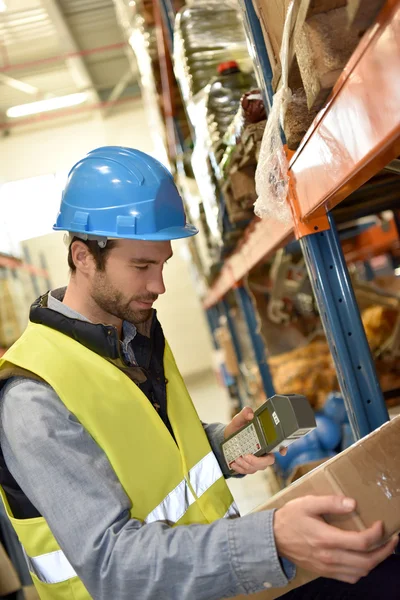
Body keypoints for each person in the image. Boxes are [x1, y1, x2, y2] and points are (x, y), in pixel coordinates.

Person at [0, 146, 397, 600]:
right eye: (141, 266)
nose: (159, 285)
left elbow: (150, 453)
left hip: (213, 583)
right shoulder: (32, 398)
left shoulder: (133, 334)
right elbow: (112, 565)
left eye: (163, 263)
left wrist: (220, 447)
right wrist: (271, 538)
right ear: (83, 257)